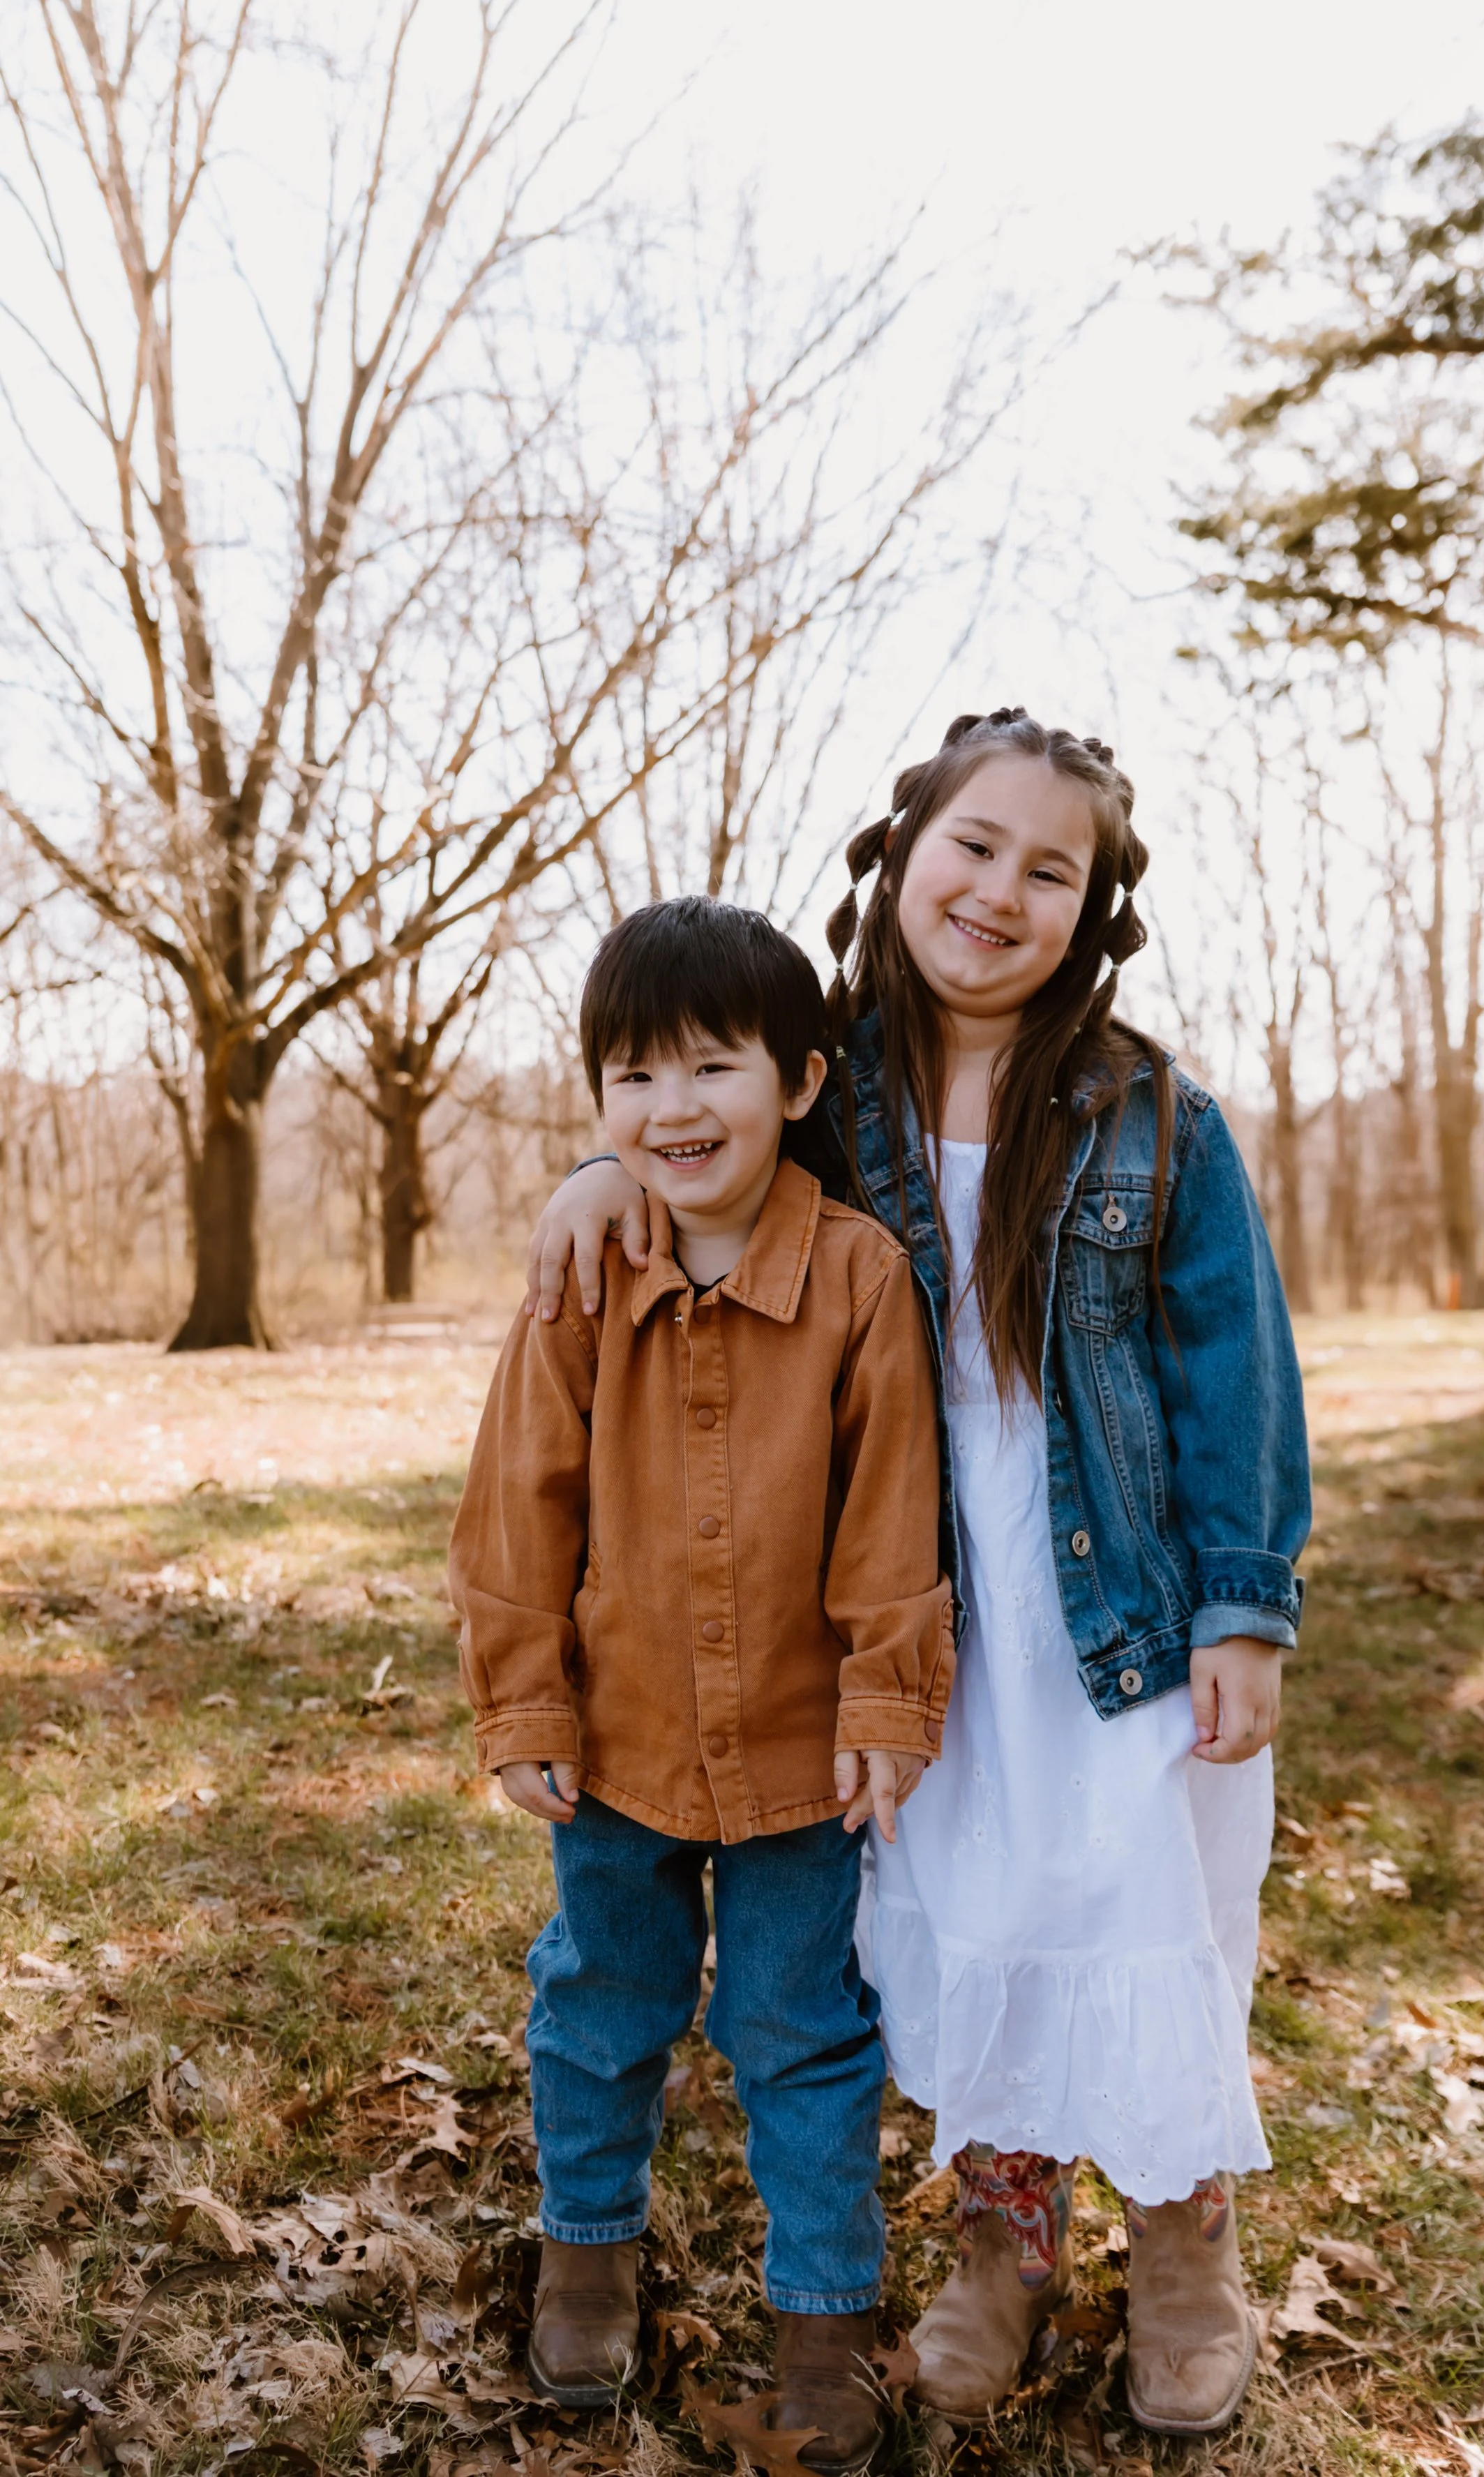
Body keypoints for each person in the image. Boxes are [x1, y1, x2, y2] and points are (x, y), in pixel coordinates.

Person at [522, 712, 1312, 2440]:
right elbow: (689, 1133)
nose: (999, 890)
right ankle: (1002, 2241)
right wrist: (595, 1163)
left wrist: (1244, 1606)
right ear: (905, 852)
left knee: (1150, 1902)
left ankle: (1184, 2239)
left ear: (1091, 909)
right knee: (976, 1909)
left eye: (1051, 869)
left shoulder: (1148, 1112)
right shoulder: (826, 1081)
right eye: (974, 844)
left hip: (1116, 1595)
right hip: (905, 1582)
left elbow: (1233, 1364)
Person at [451, 896, 953, 2473]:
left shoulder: (861, 1279)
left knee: (801, 2028)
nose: (673, 1110)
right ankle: (586, 2251)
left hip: (805, 1756)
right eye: (634, 1079)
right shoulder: (583, 1273)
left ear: (800, 1082)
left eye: (712, 1069)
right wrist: (524, 1704)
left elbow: (893, 1518)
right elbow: (516, 1501)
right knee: (600, 2004)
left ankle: (821, 2323)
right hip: (620, 1742)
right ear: (599, 1103)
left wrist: (888, 1700)